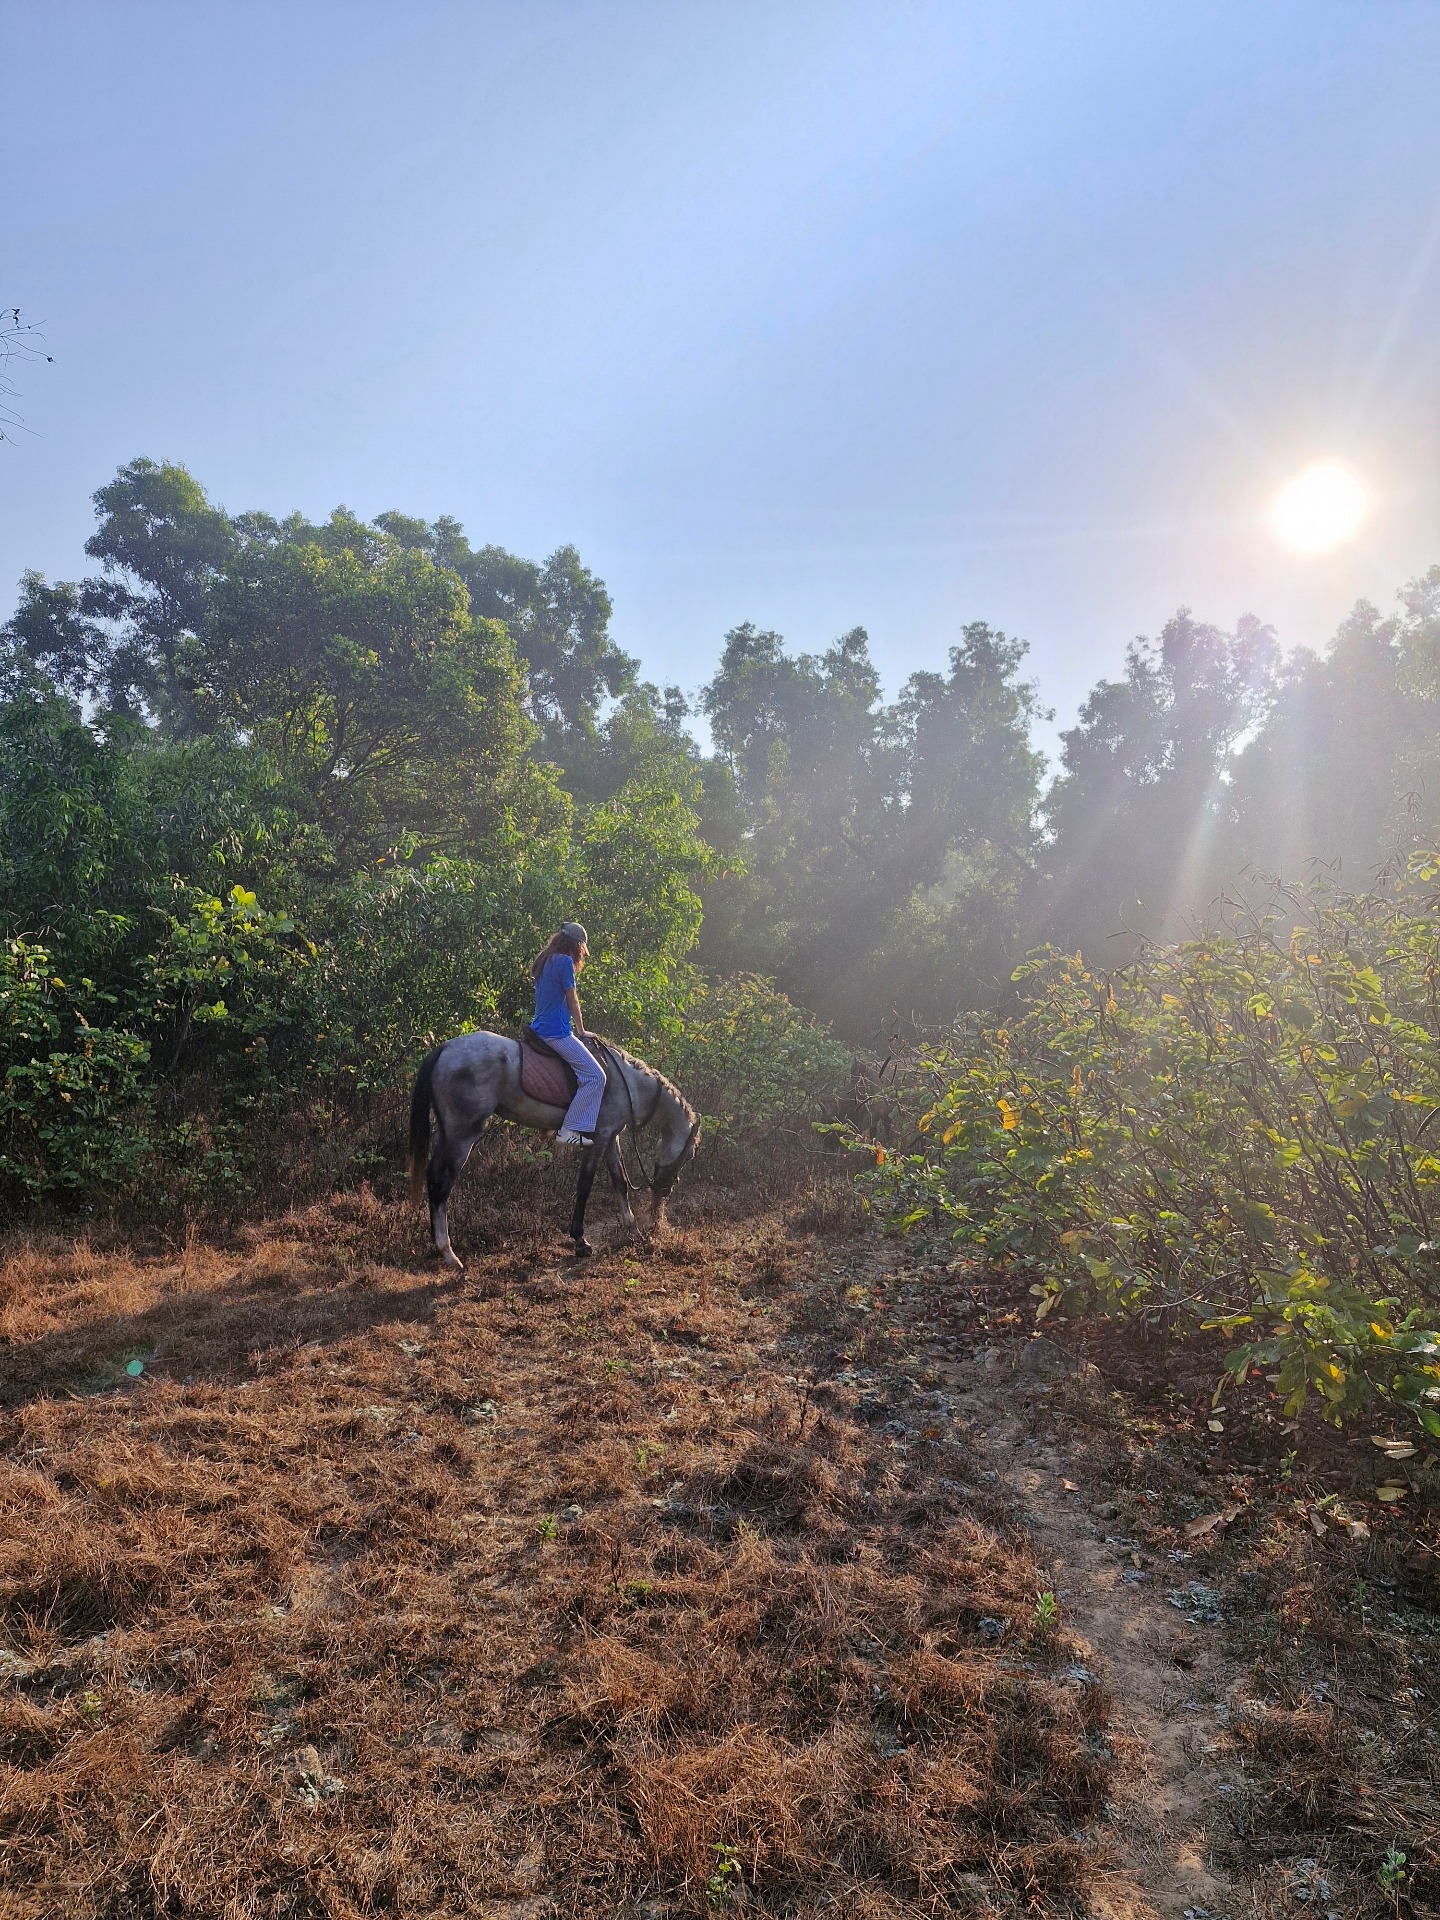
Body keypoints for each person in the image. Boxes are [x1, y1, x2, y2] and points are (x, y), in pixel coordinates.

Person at [529, 920, 606, 1146]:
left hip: (538, 1027)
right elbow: (572, 1001)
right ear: (575, 945)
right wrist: (581, 1031)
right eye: (581, 949)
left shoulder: (544, 959)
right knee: (596, 1077)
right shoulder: (564, 962)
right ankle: (569, 1130)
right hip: (556, 1032)